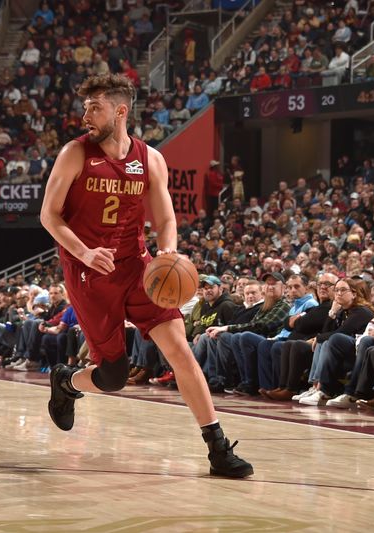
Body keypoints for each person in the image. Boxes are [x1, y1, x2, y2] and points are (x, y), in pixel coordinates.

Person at [39, 74, 253, 478]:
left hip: (138, 266)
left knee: (180, 350)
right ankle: (67, 382)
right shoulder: (74, 153)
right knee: (114, 377)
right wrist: (84, 252)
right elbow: (48, 215)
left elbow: (166, 216)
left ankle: (218, 448)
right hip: (89, 272)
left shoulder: (150, 158)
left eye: (94, 106)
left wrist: (168, 249)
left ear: (120, 111)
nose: (86, 113)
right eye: (85, 105)